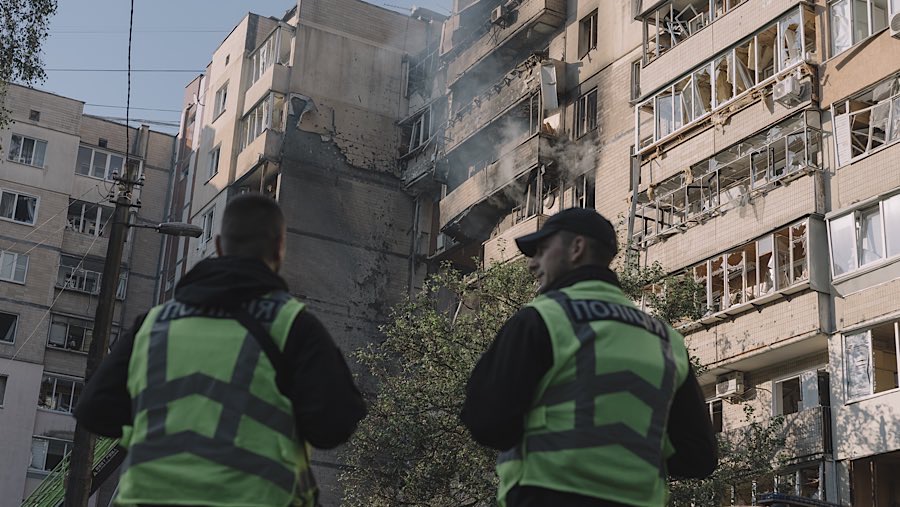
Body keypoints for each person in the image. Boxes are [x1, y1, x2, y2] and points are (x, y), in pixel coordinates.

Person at [75, 193, 366, 506]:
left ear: (218, 246)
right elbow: (334, 427)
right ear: (280, 247)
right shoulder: (293, 327)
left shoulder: (153, 325)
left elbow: (94, 411)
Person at [460, 207, 717, 507]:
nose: (532, 264)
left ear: (576, 248)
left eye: (541, 250)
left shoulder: (542, 319)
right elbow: (699, 457)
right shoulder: (666, 339)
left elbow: (486, 421)